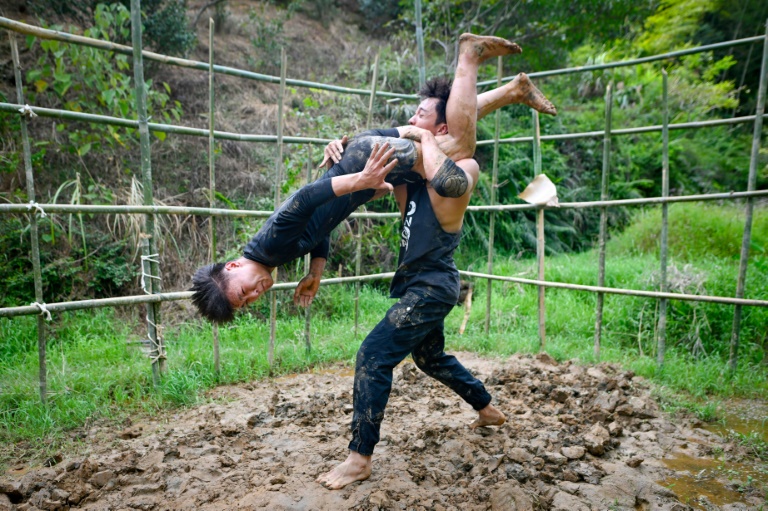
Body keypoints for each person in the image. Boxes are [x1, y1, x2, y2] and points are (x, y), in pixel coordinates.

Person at [190, 34, 556, 322]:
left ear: (234, 267)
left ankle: (469, 54)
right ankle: (513, 91)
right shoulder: (271, 255)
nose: (255, 295)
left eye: (243, 293)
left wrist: (361, 181)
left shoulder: (267, 245)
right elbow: (317, 225)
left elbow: (304, 198)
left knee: (457, 146)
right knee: (448, 140)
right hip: (362, 156)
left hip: (366, 160)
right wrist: (316, 270)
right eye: (248, 303)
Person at [314, 38, 507, 489]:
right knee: (429, 356)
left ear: (441, 131)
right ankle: (487, 408)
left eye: (421, 115)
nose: (410, 120)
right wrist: (339, 148)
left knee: (373, 355)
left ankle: (359, 458)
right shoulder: (408, 174)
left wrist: (424, 135)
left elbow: (451, 162)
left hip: (433, 285)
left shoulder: (464, 171)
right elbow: (368, 169)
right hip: (418, 284)